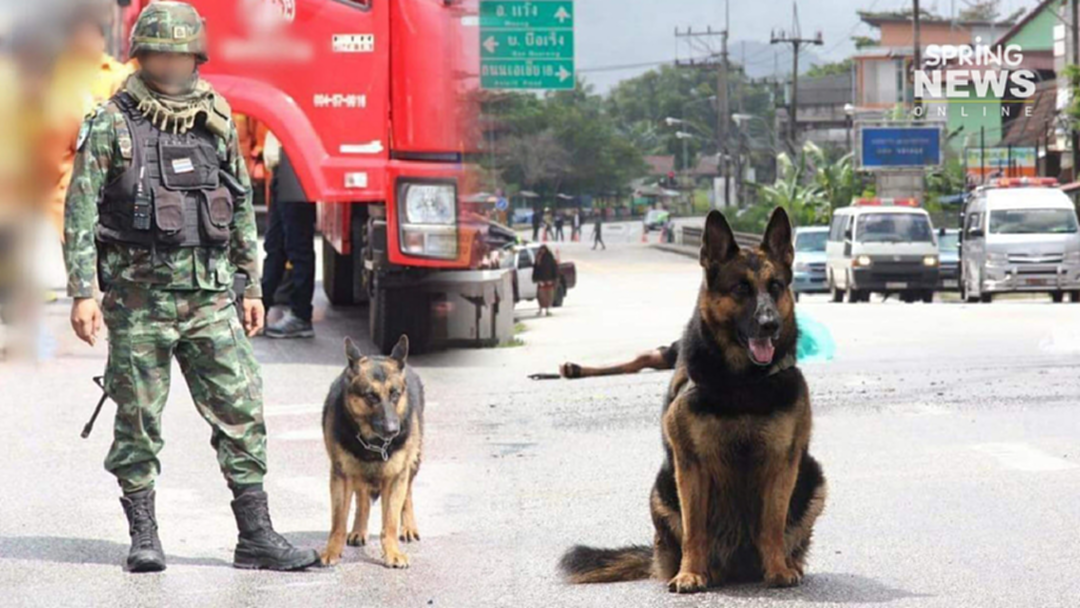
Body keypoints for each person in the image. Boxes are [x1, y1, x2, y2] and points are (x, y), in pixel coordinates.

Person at [63, 2, 319, 573]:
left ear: (196, 56)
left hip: (210, 298)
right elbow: (80, 209)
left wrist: (252, 287)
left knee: (242, 410)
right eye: (160, 53)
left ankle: (256, 536)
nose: (171, 64)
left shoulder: (216, 118)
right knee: (137, 422)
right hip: (139, 301)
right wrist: (82, 292)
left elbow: (241, 205)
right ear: (142, 55)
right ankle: (144, 536)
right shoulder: (110, 123)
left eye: (181, 54)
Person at [260, 132, 316, 338]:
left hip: (296, 165)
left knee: (297, 244)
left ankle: (301, 315)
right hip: (282, 167)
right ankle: (260, 308)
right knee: (274, 245)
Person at [532, 244, 559, 316]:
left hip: (549, 281)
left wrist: (554, 278)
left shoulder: (550, 258)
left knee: (548, 296)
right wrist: (535, 279)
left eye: (543, 249)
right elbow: (536, 269)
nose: (542, 251)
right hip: (541, 281)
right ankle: (540, 309)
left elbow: (554, 268)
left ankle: (547, 310)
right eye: (541, 250)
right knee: (540, 296)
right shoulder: (538, 258)